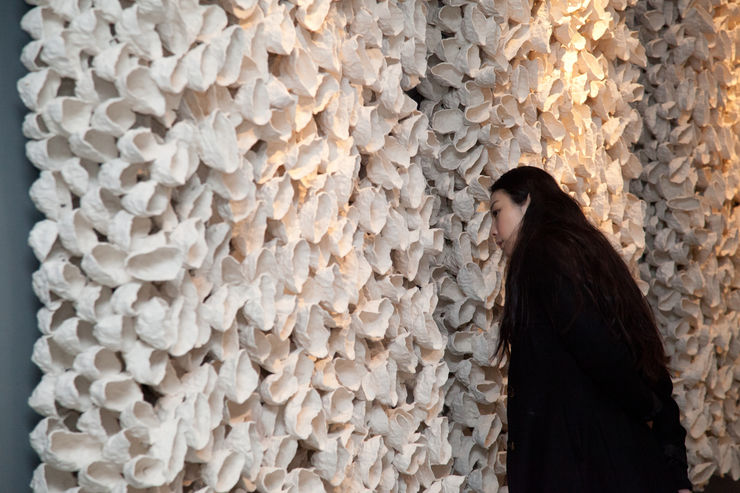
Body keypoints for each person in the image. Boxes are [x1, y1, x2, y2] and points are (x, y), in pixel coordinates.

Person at [489, 166, 692, 493]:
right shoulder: (582, 249)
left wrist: (648, 405)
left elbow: (596, 344)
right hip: (615, 457)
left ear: (525, 202)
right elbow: (630, 344)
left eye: (497, 212)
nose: (493, 231)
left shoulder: (542, 256)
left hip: (584, 465)